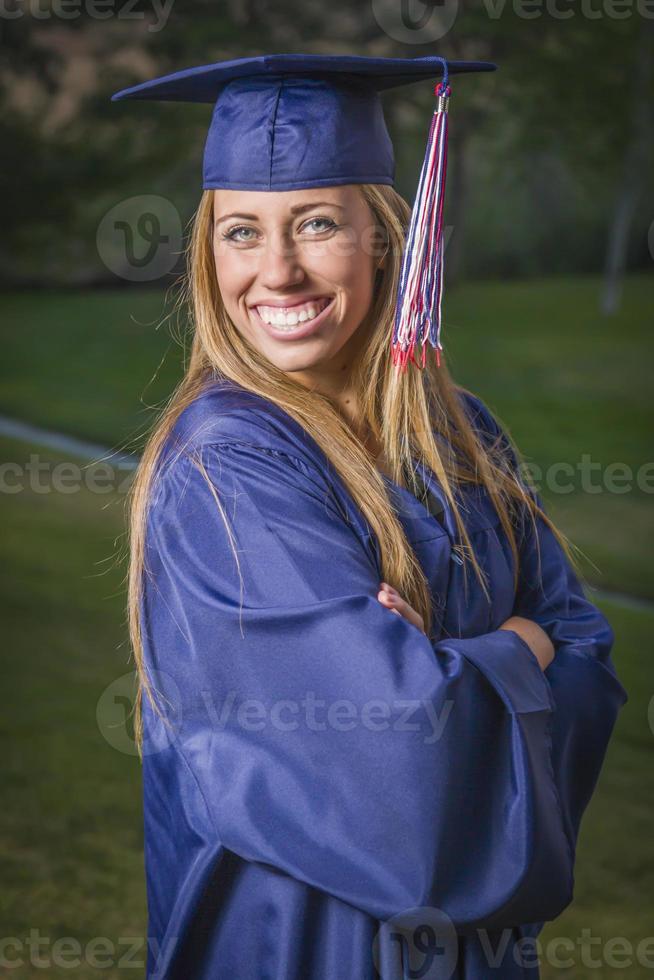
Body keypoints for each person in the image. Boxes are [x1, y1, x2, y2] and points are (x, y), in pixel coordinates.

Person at [113, 54, 628, 979]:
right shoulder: (228, 465)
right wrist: (515, 647)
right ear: (207, 252)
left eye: (316, 224)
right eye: (240, 232)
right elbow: (394, 760)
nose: (277, 270)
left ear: (385, 239)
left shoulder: (462, 434)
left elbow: (587, 647)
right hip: (297, 941)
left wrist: (449, 668)